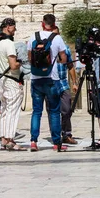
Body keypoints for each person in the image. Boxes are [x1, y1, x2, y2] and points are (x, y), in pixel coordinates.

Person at [28, 14, 68, 152]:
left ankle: (33, 141)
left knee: (37, 111)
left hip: (36, 79)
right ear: (54, 24)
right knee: (54, 112)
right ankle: (57, 143)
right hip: (52, 79)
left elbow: (29, 58)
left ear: (42, 23)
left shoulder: (33, 37)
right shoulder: (57, 39)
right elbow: (64, 59)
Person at [0, 18, 24, 150]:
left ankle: (3, 139)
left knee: (6, 110)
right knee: (12, 110)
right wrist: (21, 62)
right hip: (11, 80)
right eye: (14, 27)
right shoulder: (9, 44)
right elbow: (13, 66)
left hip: (2, 79)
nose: (15, 30)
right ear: (7, 27)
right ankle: (10, 139)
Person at [51, 27, 78, 145]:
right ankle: (56, 136)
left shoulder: (65, 48)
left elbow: (70, 66)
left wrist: (74, 82)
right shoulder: (46, 48)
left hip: (62, 83)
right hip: (50, 83)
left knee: (67, 109)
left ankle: (67, 133)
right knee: (52, 111)